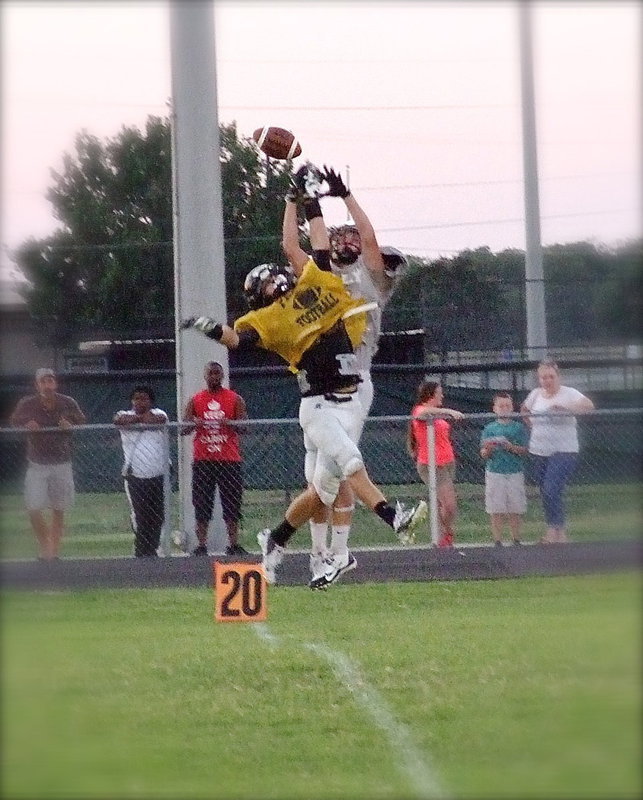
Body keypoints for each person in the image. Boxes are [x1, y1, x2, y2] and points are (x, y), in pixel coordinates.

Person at [181, 163, 426, 584]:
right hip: (317, 403)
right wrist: (209, 328)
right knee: (350, 461)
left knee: (321, 491)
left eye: (275, 277)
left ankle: (276, 541)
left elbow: (307, 240)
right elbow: (236, 339)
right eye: (266, 285)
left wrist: (305, 197)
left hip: (351, 393)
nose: (275, 283)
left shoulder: (319, 280)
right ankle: (393, 517)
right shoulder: (269, 318)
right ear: (258, 296)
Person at [299, 165, 410, 589]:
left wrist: (345, 195)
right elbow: (314, 242)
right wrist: (309, 202)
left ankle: (331, 554)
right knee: (318, 474)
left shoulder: (373, 278)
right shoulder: (326, 273)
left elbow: (371, 239)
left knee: (335, 469)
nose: (349, 241)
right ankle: (326, 556)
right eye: (341, 237)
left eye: (354, 239)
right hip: (320, 380)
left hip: (355, 379)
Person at [9, 367, 86, 560]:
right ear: (37, 385)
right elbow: (14, 421)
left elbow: (82, 421)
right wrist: (26, 424)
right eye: (43, 381)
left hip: (62, 461)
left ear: (55, 383)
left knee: (58, 507)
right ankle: (44, 544)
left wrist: (71, 425)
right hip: (37, 462)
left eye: (50, 381)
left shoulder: (68, 402)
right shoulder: (27, 403)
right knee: (33, 507)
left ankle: (52, 552)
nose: (47, 385)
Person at [520, 359, 595, 543]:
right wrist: (533, 427)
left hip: (564, 450)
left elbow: (589, 406)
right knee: (545, 491)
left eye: (551, 376)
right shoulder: (535, 394)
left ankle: (555, 528)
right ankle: (557, 533)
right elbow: (524, 409)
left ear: (558, 376)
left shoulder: (569, 393)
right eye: (543, 377)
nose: (547, 380)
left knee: (551, 488)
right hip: (539, 449)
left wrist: (565, 408)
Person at [181, 361, 249, 557]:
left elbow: (245, 426)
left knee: (232, 502)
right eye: (210, 374)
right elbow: (183, 429)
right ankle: (202, 545)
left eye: (217, 374)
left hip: (229, 459)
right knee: (202, 502)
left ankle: (233, 544)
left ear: (222, 376)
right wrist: (194, 422)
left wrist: (231, 423)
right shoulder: (195, 400)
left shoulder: (235, 399)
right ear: (205, 376)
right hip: (204, 459)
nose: (214, 377)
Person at [407, 378, 463, 548]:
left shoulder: (437, 414)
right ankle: (446, 532)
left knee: (443, 504)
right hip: (431, 464)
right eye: (439, 393)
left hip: (447, 462)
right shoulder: (421, 410)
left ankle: (440, 538)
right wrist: (450, 412)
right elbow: (422, 414)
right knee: (449, 504)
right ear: (430, 395)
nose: (442, 396)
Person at [114, 385, 168, 558]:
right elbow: (119, 420)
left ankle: (153, 548)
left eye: (143, 398)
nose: (139, 401)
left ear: (151, 401)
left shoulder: (160, 413)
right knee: (140, 514)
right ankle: (141, 550)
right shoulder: (124, 414)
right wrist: (139, 420)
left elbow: (158, 420)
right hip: (135, 475)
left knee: (157, 514)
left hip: (158, 474)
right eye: (136, 398)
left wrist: (141, 421)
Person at [480, 392, 529, 546]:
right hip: (495, 472)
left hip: (514, 471)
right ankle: (497, 540)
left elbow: (524, 450)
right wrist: (489, 449)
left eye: (507, 406)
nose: (504, 409)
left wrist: (511, 447)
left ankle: (516, 539)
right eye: (501, 406)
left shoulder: (519, 428)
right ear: (494, 408)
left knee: (515, 506)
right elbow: (483, 453)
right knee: (496, 507)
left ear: (512, 407)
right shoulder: (489, 428)